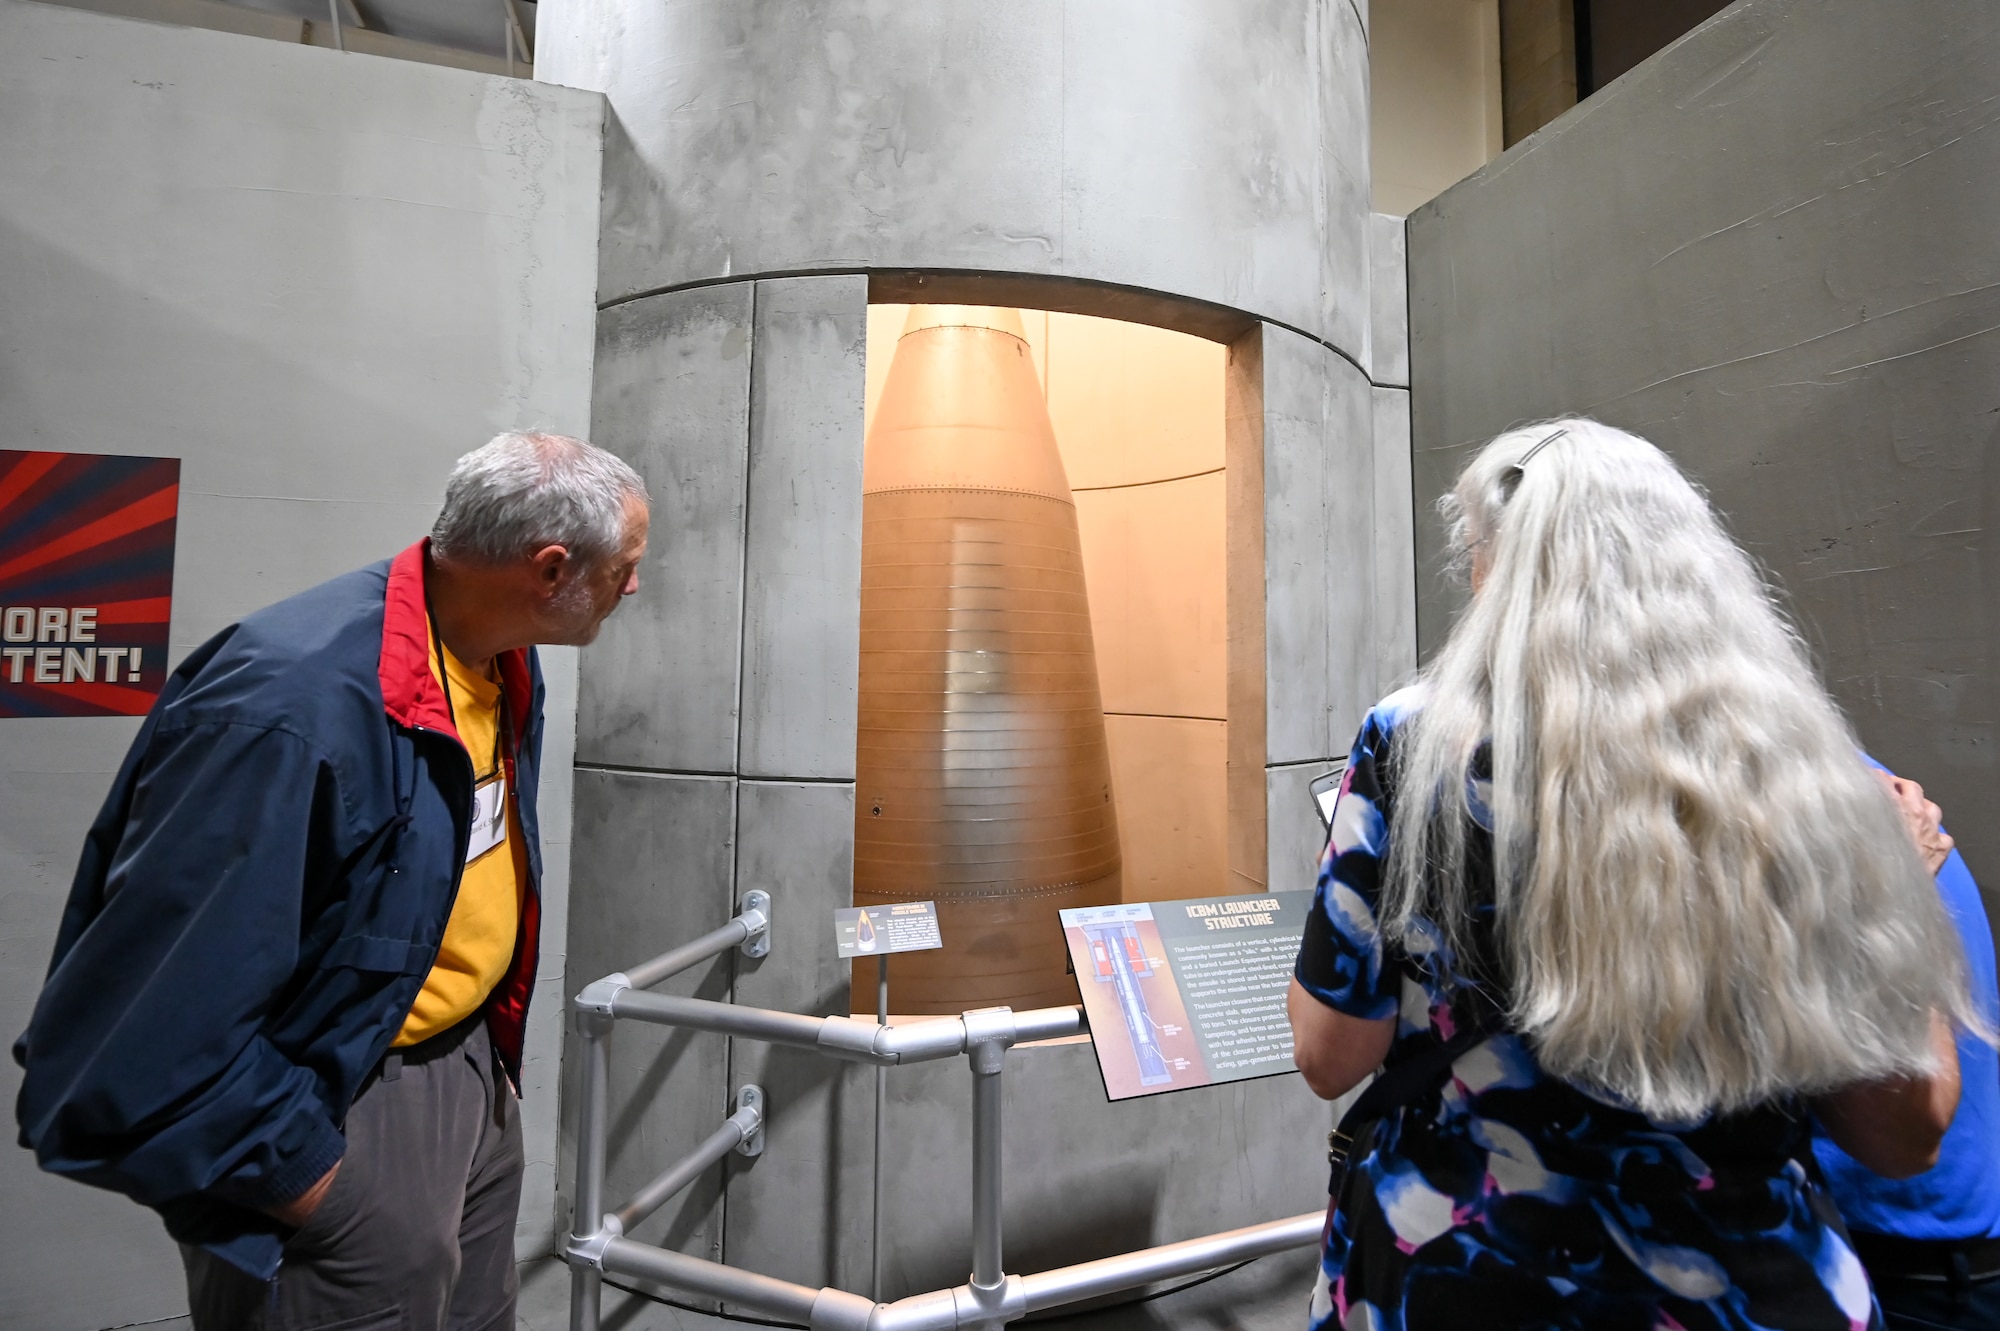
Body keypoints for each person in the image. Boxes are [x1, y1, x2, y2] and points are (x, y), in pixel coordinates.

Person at [1287, 418, 1980, 1330]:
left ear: (1497, 565)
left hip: (1467, 1269)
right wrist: (1903, 880)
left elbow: (1331, 1055)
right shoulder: (1800, 761)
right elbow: (1903, 1135)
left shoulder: (1413, 745)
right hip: (1745, 1286)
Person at [14, 432, 649, 1331]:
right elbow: (145, 1016)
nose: (633, 586)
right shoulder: (283, 708)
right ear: (550, 569)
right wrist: (308, 1181)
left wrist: (482, 1083)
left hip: (465, 1073)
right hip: (344, 1108)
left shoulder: (501, 655)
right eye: (625, 564)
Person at [1816, 770, 2000, 1329]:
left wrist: (1895, 894)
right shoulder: (1857, 787)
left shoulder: (1816, 804)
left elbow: (1905, 1137)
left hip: (1904, 1262)